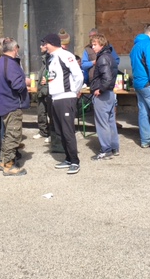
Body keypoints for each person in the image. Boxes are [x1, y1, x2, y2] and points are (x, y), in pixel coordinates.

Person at [42, 33, 85, 174]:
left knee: (67, 131)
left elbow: (78, 76)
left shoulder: (66, 55)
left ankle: (75, 161)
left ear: (52, 43)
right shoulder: (51, 58)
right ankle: (68, 158)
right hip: (55, 98)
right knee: (59, 131)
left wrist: (74, 91)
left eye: (46, 43)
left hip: (66, 98)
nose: (44, 46)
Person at [0, 37, 30, 176]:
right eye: (17, 50)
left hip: (4, 103)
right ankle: (9, 166)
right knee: (13, 135)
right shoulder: (10, 64)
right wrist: (25, 82)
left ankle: (4, 161)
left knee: (8, 134)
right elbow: (17, 85)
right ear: (15, 49)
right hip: (12, 104)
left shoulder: (0, 61)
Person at [89, 32, 119, 160]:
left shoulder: (102, 58)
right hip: (110, 93)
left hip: (103, 94)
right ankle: (114, 147)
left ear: (101, 45)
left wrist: (100, 89)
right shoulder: (110, 56)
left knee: (102, 123)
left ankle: (106, 149)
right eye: (92, 45)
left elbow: (107, 78)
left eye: (95, 44)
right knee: (110, 121)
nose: (93, 47)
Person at [33, 41, 52, 142]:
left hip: (48, 90)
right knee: (41, 112)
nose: (40, 46)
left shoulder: (51, 58)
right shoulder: (44, 59)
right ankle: (43, 132)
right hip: (42, 89)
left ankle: (52, 134)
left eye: (43, 45)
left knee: (51, 114)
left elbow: (53, 74)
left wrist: (48, 80)